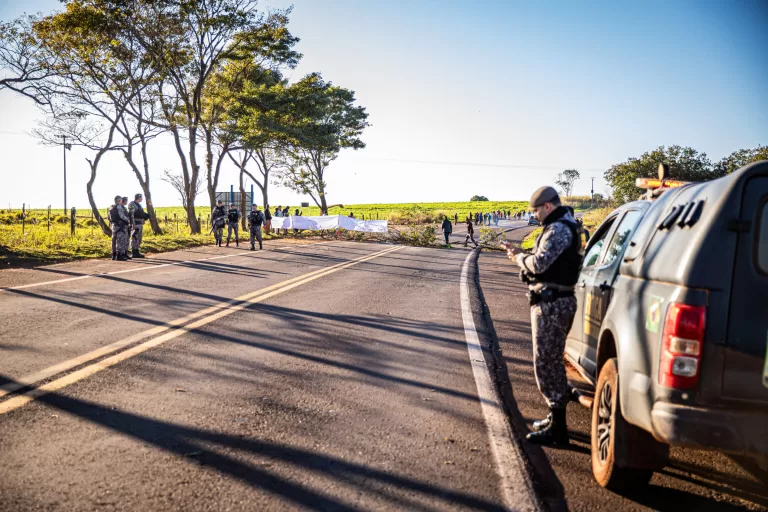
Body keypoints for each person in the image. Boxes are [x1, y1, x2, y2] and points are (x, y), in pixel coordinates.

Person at [504, 186, 581, 446]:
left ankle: (558, 430)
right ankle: (554, 416)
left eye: (536, 210)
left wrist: (518, 257)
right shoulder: (561, 225)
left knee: (546, 362)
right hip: (552, 301)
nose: (535, 215)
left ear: (548, 206)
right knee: (550, 360)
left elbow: (539, 264)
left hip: (552, 304)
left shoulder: (558, 228)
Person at [128, 193, 147, 258]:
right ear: (138, 197)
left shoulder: (139, 205)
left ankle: (137, 251)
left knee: (139, 238)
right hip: (135, 223)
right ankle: (134, 252)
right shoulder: (132, 204)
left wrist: (144, 218)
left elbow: (141, 214)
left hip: (140, 223)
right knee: (134, 237)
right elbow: (131, 215)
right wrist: (133, 224)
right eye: (141, 197)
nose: (142, 199)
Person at [108, 195, 127, 260]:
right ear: (119, 200)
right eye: (121, 200)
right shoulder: (119, 207)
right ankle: (119, 255)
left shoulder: (111, 207)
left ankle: (113, 255)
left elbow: (109, 218)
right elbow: (122, 216)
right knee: (120, 241)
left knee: (114, 240)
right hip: (120, 225)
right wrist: (128, 220)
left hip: (114, 225)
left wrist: (113, 222)